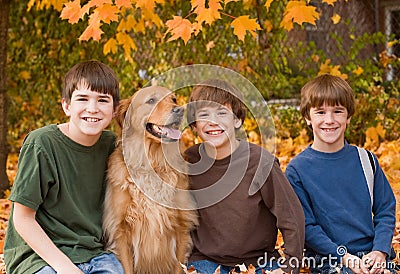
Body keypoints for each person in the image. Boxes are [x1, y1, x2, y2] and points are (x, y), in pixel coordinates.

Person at [4, 60, 124, 274]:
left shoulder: (112, 146)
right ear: (66, 105)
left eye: (102, 100)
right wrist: (64, 267)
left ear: (115, 110)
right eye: (83, 99)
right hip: (39, 256)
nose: (92, 109)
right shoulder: (42, 144)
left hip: (94, 253)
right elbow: (22, 219)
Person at [184, 79, 305, 274]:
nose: (213, 121)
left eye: (222, 113)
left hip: (258, 262)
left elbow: (292, 217)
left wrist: (290, 267)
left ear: (237, 120)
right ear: (194, 125)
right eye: (204, 114)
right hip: (205, 261)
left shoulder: (259, 162)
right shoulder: (188, 162)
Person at [285, 74, 396, 274]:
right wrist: (344, 257)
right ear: (307, 118)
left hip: (371, 254)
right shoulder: (297, 170)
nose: (329, 120)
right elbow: (307, 227)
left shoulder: (366, 160)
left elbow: (385, 209)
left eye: (338, 111)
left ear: (348, 116)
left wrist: (380, 251)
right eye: (320, 112)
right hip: (328, 259)